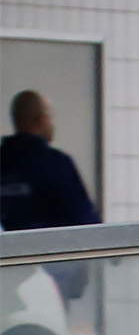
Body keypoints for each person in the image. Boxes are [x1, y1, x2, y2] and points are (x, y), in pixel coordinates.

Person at [1, 91, 101, 233]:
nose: (54, 125)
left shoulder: (4, 163)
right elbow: (84, 220)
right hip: (51, 251)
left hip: (8, 253)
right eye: (51, 118)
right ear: (41, 120)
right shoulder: (56, 164)